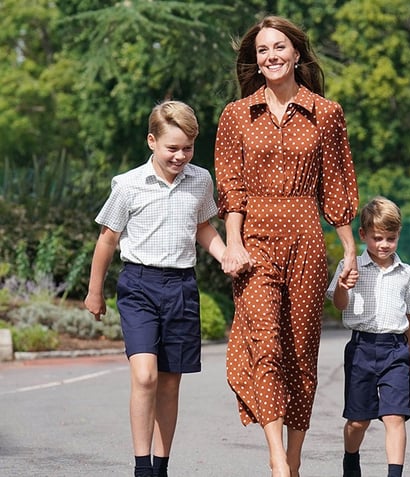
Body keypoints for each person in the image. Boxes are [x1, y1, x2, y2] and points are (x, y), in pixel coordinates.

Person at [214, 15, 359, 477]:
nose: (271, 56)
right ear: (254, 61)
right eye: (262, 50)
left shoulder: (326, 113)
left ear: (296, 53)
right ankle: (277, 458)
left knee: (301, 350)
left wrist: (350, 250)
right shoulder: (236, 115)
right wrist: (232, 244)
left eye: (279, 48)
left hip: (306, 240)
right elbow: (231, 189)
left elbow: (336, 186)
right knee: (267, 345)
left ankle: (294, 459)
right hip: (255, 240)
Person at [84, 100, 226, 477]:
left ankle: (161, 466)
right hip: (139, 287)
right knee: (145, 374)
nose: (180, 156)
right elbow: (107, 239)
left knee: (169, 382)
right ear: (152, 141)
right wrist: (94, 291)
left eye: (187, 148)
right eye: (172, 148)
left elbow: (203, 228)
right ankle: (142, 466)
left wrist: (226, 255)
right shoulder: (128, 185)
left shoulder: (200, 180)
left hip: (181, 287)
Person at [327, 196, 410, 477]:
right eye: (377, 237)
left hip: (396, 350)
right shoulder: (351, 266)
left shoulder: (406, 274)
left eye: (390, 238)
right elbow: (339, 304)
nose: (384, 245)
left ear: (398, 236)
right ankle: (350, 458)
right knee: (358, 421)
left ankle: (394, 473)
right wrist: (344, 285)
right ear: (363, 234)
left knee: (395, 416)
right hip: (361, 349)